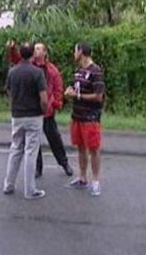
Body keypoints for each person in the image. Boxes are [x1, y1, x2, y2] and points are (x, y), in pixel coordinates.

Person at [7, 40, 74, 177]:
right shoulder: (29, 66)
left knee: (54, 139)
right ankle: (38, 168)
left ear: (44, 52)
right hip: (33, 110)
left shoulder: (52, 70)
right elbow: (17, 59)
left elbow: (58, 88)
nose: (36, 51)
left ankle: (64, 163)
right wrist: (12, 48)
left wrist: (56, 103)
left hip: (47, 111)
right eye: (35, 48)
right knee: (33, 142)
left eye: (39, 49)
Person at [3, 42, 48, 199]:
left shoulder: (12, 72)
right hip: (33, 115)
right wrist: (44, 109)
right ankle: (30, 190)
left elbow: (9, 92)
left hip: (17, 115)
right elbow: (43, 97)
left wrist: (14, 106)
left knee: (15, 148)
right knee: (30, 152)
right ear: (32, 55)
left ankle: (8, 184)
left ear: (20, 54)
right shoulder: (37, 73)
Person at [64, 42, 105, 197]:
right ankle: (82, 177)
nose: (74, 54)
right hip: (77, 116)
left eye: (75, 50)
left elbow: (98, 96)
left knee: (93, 149)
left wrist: (78, 95)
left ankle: (95, 181)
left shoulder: (96, 71)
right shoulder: (78, 71)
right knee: (80, 147)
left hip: (90, 117)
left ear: (81, 51)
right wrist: (70, 92)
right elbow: (76, 90)